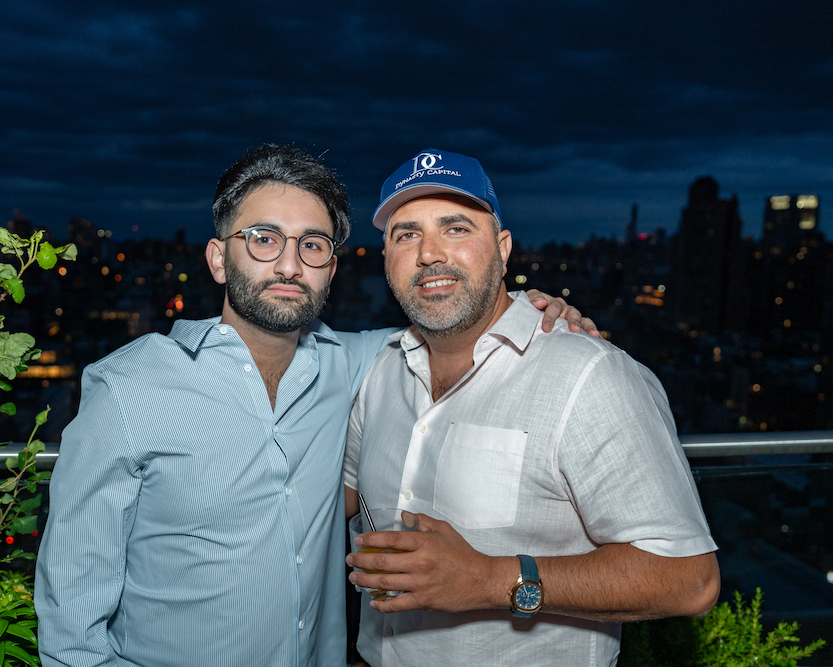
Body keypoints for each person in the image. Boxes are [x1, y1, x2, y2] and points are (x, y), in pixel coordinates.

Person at [34, 144, 592, 667]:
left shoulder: (358, 365)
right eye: (263, 239)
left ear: (330, 267)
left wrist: (534, 310)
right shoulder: (129, 388)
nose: (288, 265)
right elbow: (71, 630)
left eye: (312, 244)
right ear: (218, 259)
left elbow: (460, 325)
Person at [343, 149, 720, 667]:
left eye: (456, 228)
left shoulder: (590, 375)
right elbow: (337, 502)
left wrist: (489, 579)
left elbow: (690, 580)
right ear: (386, 257)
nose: (429, 253)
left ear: (503, 249)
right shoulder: (379, 370)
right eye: (406, 235)